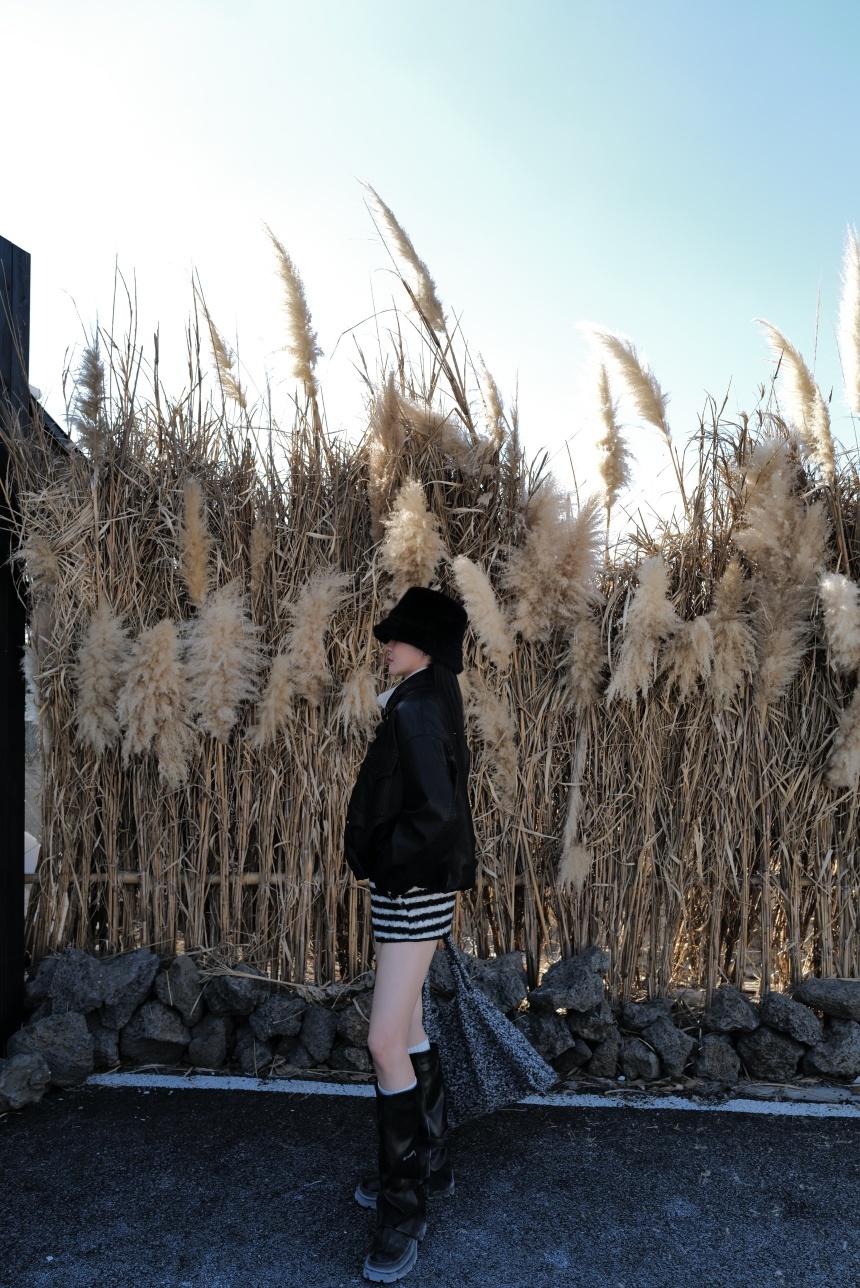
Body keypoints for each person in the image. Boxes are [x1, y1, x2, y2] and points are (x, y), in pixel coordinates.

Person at [344, 585, 476, 1284]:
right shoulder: (425, 696)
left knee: (384, 1041)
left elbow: (437, 813)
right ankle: (431, 1161)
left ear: (425, 644)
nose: (386, 645)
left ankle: (403, 1211)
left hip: (411, 891)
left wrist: (388, 864)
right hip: (414, 889)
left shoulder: (419, 707)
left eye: (396, 636)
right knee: (413, 1028)